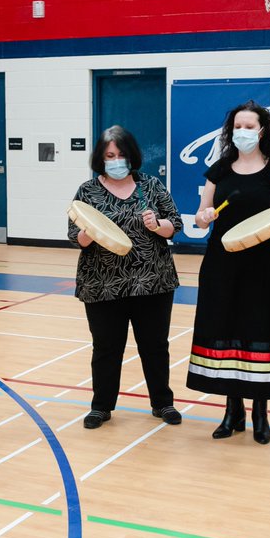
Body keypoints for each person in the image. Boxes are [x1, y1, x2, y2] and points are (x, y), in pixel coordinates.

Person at [188, 101, 270, 445]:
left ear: (262, 131)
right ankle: (232, 410)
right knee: (226, 330)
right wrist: (204, 217)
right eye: (239, 125)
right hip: (223, 263)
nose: (243, 131)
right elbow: (199, 215)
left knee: (258, 331)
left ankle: (260, 413)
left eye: (250, 126)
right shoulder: (220, 169)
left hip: (263, 265)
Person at [69, 126, 183, 429]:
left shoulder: (151, 186)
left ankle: (163, 403)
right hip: (102, 284)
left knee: (155, 345)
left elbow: (175, 225)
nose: (116, 160)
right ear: (100, 158)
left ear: (131, 155)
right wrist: (89, 231)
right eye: (109, 156)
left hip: (153, 281)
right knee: (106, 346)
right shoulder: (88, 191)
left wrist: (158, 224)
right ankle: (101, 406)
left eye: (120, 155)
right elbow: (75, 237)